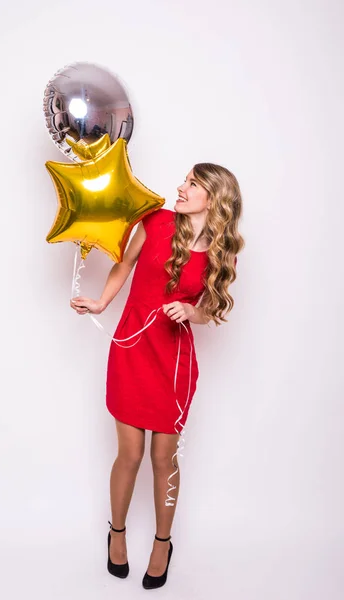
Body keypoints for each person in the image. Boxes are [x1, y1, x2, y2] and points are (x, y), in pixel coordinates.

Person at [70, 163, 244, 589]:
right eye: (184, 181)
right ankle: (117, 533)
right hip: (131, 348)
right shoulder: (156, 219)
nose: (180, 187)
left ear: (214, 198)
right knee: (128, 455)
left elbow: (215, 309)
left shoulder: (222, 249)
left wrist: (191, 311)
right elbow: (124, 265)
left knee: (163, 458)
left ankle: (163, 543)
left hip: (173, 360)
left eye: (192, 184)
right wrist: (101, 303)